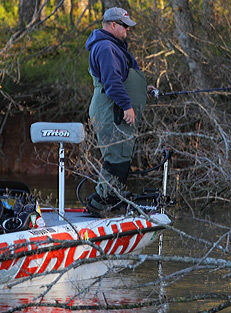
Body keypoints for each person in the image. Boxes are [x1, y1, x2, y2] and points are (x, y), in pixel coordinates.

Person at [85, 7, 156, 216]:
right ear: (113, 25)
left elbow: (122, 76)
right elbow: (112, 81)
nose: (128, 30)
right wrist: (127, 106)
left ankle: (107, 201)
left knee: (119, 158)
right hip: (112, 110)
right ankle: (99, 204)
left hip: (114, 110)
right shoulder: (106, 47)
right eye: (125, 26)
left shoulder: (112, 46)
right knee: (117, 160)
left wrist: (143, 89)